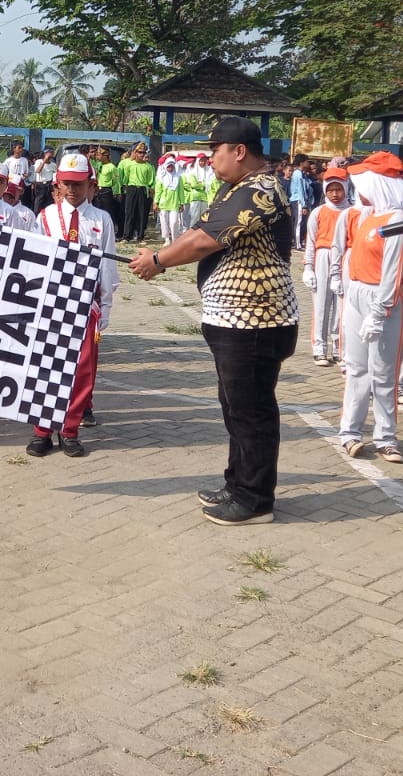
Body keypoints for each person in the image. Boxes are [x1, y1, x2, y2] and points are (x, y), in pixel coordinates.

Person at [128, 117, 296, 526]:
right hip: (235, 318)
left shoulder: (261, 190)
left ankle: (255, 500)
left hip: (256, 319)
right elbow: (200, 229)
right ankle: (239, 483)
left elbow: (208, 239)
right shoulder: (235, 188)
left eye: (215, 149)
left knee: (251, 411)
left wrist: (158, 261)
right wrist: (162, 254)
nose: (209, 156)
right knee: (235, 406)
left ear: (239, 151)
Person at [31, 152, 119, 456]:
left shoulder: (101, 219)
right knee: (46, 366)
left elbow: (108, 266)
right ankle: (42, 430)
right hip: (52, 302)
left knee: (82, 370)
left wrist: (105, 306)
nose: (73, 189)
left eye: (79, 184)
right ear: (58, 183)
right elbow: (35, 262)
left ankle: (70, 429)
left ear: (90, 184)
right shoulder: (45, 217)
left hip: (87, 305)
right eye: (67, 183)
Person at [333, 152, 403, 464]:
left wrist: (379, 313)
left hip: (384, 300)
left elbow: (393, 272)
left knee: (383, 372)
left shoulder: (397, 220)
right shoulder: (367, 215)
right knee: (357, 368)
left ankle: (386, 437)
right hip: (357, 293)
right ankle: (350, 432)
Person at [301, 167, 349, 365]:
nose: (335, 194)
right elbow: (311, 241)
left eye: (339, 189)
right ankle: (319, 348)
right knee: (321, 305)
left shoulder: (351, 212)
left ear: (346, 189)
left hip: (344, 258)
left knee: (342, 307)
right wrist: (308, 267)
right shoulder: (318, 213)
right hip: (323, 256)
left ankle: (339, 348)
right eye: (331, 189)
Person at [119, 143, 154, 242]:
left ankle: (140, 236)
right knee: (129, 213)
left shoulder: (149, 167)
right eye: (139, 152)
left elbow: (151, 181)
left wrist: (151, 192)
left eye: (143, 152)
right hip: (131, 188)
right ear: (135, 152)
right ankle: (127, 236)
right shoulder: (130, 164)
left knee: (142, 214)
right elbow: (125, 178)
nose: (142, 154)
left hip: (143, 189)